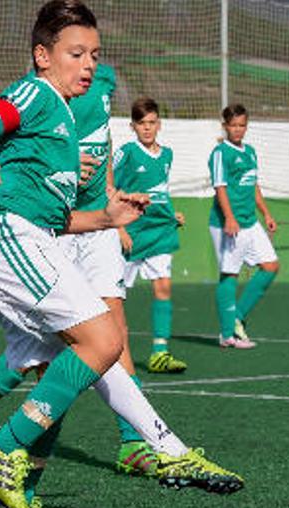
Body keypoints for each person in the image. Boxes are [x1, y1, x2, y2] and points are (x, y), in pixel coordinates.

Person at [0, 1, 243, 508]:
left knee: (82, 353)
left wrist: (106, 216)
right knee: (103, 338)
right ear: (43, 56)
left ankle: (148, 453)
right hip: (6, 236)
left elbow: (52, 212)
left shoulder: (64, 118)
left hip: (29, 235)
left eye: (94, 54)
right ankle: (5, 443)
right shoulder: (35, 92)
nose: (88, 64)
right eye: (75, 53)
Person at [116, 96, 187, 372]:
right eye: (142, 123)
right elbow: (109, 188)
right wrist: (119, 227)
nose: (147, 128)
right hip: (131, 234)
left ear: (160, 124)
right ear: (132, 126)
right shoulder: (126, 153)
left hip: (159, 232)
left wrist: (172, 213)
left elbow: (160, 191)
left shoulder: (167, 155)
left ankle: (160, 352)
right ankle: (114, 354)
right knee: (116, 297)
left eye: (152, 123)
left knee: (164, 287)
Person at [208, 104, 279, 349]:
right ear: (225, 126)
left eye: (242, 125)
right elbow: (220, 187)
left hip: (251, 222)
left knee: (270, 266)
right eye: (233, 125)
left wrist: (266, 213)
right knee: (230, 273)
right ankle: (228, 333)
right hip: (228, 224)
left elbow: (253, 184)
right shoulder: (220, 153)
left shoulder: (250, 152)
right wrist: (229, 217)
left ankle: (236, 316)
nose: (238, 130)